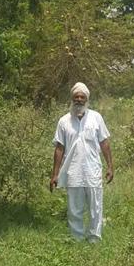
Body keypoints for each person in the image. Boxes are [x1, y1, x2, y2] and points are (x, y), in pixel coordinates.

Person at [50, 82, 113, 242]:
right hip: (73, 171)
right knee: (74, 209)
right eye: (76, 97)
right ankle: (76, 239)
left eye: (82, 97)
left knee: (95, 207)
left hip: (93, 170)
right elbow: (59, 148)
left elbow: (104, 143)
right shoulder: (64, 121)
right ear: (72, 99)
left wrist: (110, 167)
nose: (79, 99)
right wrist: (55, 174)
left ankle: (94, 239)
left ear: (87, 99)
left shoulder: (96, 118)